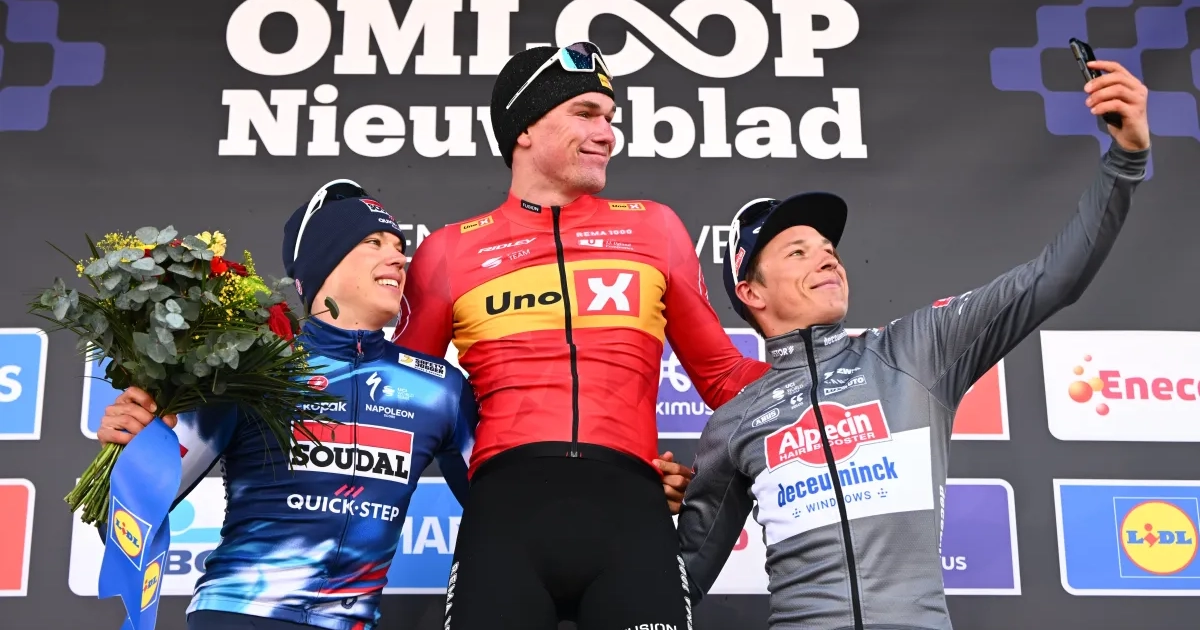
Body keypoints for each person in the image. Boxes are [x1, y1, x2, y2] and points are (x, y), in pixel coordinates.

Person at [675, 60, 1151, 630]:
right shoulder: (735, 421)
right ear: (751, 291)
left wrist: (1126, 158)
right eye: (798, 252)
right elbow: (674, 584)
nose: (827, 259)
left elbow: (1055, 278)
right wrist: (626, 499)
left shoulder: (914, 351)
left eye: (829, 250)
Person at [392, 41, 770, 629]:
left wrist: (838, 371)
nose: (606, 134)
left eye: (610, 118)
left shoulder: (655, 227)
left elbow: (724, 376)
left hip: (631, 513)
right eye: (585, 113)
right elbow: (401, 401)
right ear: (524, 128)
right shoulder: (448, 250)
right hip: (504, 518)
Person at [94, 180, 479, 630]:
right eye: (374, 243)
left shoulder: (438, 388)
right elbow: (126, 517)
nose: (398, 258)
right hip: (241, 614)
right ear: (325, 262)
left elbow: (499, 508)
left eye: (399, 247)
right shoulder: (252, 369)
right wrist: (129, 450)